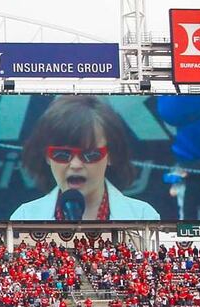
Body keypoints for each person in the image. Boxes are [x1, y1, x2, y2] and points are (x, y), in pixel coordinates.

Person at [9, 95, 159, 222]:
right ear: (47, 157)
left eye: (90, 155)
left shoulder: (143, 216)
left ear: (111, 155)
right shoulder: (25, 217)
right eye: (62, 154)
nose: (75, 164)